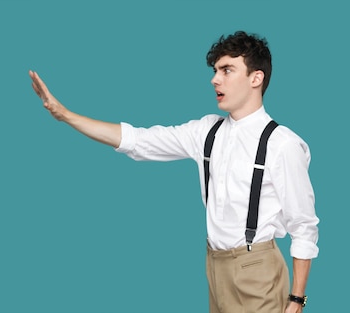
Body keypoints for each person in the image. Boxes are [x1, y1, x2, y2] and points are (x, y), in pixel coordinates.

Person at [29, 30, 319, 313]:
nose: (215, 79)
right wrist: (65, 115)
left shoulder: (283, 145)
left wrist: (297, 298)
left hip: (257, 269)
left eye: (227, 70)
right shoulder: (207, 130)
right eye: (216, 70)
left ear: (256, 78)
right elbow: (138, 140)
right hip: (214, 265)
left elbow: (303, 226)